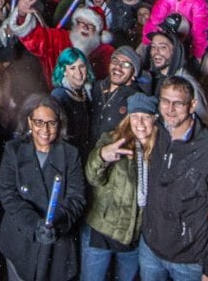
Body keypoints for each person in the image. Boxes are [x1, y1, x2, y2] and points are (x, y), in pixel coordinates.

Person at [139, 76, 208, 281]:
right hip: (151, 248)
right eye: (165, 101)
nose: (170, 109)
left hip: (189, 260)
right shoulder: (155, 132)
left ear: (192, 105)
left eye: (178, 103)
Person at [0, 94, 86, 281]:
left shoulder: (70, 154)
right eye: (38, 122)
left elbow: (76, 198)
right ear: (29, 122)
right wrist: (35, 224)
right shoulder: (13, 150)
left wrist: (56, 224)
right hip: (21, 242)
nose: (45, 130)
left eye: (51, 123)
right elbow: (8, 194)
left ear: (59, 124)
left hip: (57, 245)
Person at [81, 92, 159, 281]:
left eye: (145, 117)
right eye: (134, 116)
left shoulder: (161, 149)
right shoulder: (112, 140)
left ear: (155, 119)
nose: (139, 122)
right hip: (101, 233)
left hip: (134, 238)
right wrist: (101, 156)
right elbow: (92, 177)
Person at [9, 0, 115, 84]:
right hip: (56, 98)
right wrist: (22, 14)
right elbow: (33, 38)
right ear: (75, 23)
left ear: (98, 31)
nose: (85, 27)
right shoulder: (58, 38)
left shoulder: (106, 52)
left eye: (91, 25)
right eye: (81, 22)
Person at [51, 48, 95, 160]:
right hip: (68, 159)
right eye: (72, 68)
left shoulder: (87, 92)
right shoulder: (59, 96)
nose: (78, 73)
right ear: (64, 71)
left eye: (82, 66)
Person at [90, 45, 143, 139]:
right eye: (115, 61)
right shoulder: (95, 87)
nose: (118, 67)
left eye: (126, 64)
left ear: (134, 73)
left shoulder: (137, 99)